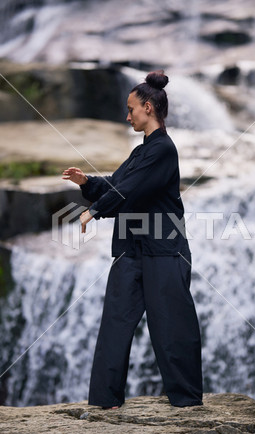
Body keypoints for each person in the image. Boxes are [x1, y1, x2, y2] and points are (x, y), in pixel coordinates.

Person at [62, 70, 203, 409]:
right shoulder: (141, 153)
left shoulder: (163, 150)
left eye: (131, 109)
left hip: (164, 252)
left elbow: (129, 191)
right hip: (131, 250)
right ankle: (105, 402)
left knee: (171, 328)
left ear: (149, 108)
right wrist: (87, 184)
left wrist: (94, 212)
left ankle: (186, 404)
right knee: (114, 323)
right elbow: (117, 183)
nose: (127, 116)